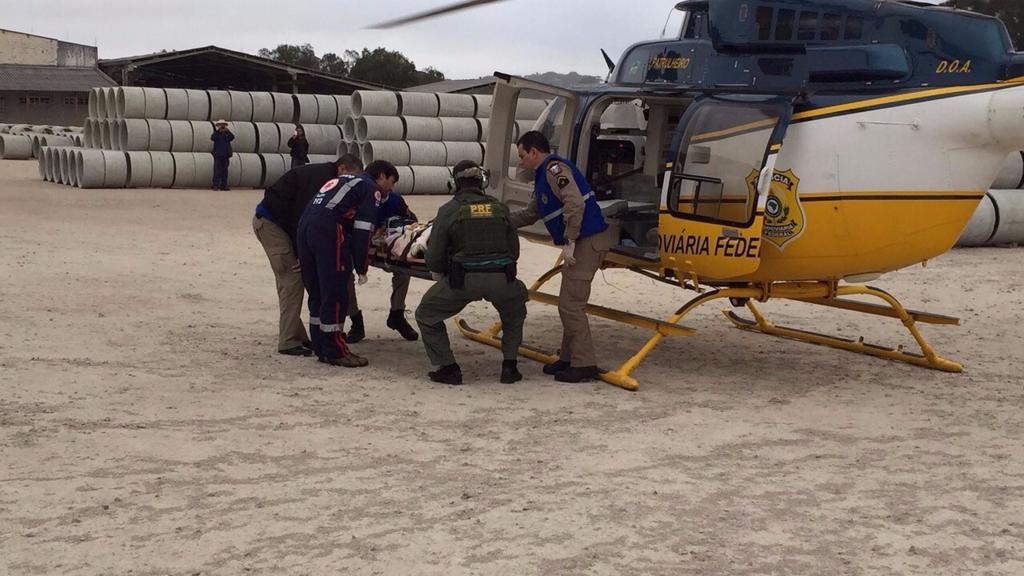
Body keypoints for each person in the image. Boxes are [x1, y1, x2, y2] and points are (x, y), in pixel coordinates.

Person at [509, 131, 612, 383]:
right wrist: (500, 221)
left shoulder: (554, 170)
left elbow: (575, 203)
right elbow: (531, 214)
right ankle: (568, 358)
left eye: (523, 156)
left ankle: (584, 363)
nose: (521, 161)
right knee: (568, 301)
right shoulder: (542, 177)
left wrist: (571, 238)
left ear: (534, 152)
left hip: (586, 242)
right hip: (582, 241)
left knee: (571, 305)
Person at [415, 160, 528, 386]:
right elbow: (513, 252)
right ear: (482, 182)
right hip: (502, 279)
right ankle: (509, 366)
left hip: (462, 281)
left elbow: (434, 257)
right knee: (514, 314)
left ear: (453, 183)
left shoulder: (448, 210)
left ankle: (448, 367)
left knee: (426, 315)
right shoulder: (500, 208)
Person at [253, 156, 360, 356]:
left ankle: (296, 333)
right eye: (351, 177)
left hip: (278, 223)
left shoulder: (326, 177)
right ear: (342, 168)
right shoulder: (322, 180)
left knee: (289, 281)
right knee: (292, 279)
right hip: (272, 225)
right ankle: (288, 341)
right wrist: (302, 254)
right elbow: (302, 217)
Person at [296, 159, 400, 367]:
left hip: (304, 228)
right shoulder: (371, 189)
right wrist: (362, 266)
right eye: (392, 181)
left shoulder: (344, 180)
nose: (392, 187)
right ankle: (336, 350)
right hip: (329, 231)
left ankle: (321, 345)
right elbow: (363, 230)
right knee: (334, 293)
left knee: (317, 292)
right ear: (381, 176)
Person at [345, 190, 419, 343]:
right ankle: (355, 320)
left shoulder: (395, 200)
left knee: (404, 269)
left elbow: (412, 221)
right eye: (391, 181)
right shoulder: (359, 197)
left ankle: (397, 314)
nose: (392, 186)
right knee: (344, 275)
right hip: (356, 243)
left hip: (383, 243)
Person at [211, 120, 234, 191]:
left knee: (225, 171)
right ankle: (215, 185)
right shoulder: (216, 133)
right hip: (218, 155)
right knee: (217, 171)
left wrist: (228, 131)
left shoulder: (227, 134)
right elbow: (212, 138)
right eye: (221, 125)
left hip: (226, 155)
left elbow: (232, 137)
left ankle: (224, 185)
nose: (222, 126)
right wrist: (218, 131)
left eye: (223, 125)